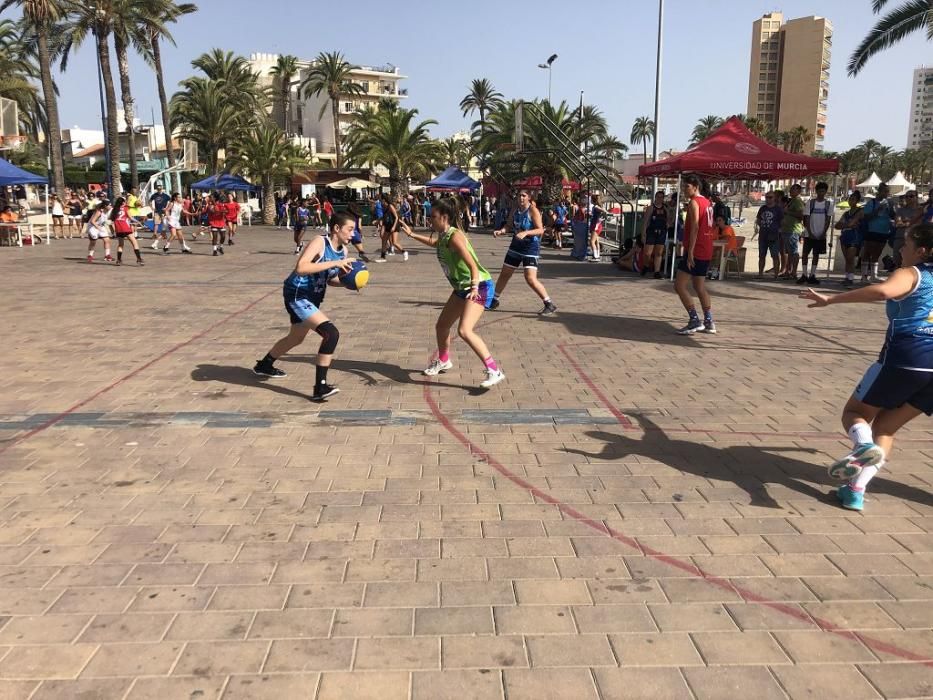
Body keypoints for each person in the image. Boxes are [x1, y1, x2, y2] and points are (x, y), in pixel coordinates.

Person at [800, 222, 933, 511]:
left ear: (921, 251)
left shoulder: (912, 273)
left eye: (906, 244)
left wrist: (831, 299)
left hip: (907, 357)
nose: (900, 248)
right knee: (885, 427)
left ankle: (861, 447)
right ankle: (855, 489)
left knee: (855, 413)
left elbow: (883, 291)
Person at [399, 197, 505, 389]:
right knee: (442, 326)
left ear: (445, 217)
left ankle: (494, 370)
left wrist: (473, 289)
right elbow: (435, 244)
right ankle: (444, 360)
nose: (430, 220)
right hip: (461, 288)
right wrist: (412, 234)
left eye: (433, 216)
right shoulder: (444, 236)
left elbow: (473, 265)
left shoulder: (455, 236)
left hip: (479, 286)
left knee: (464, 330)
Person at [253, 212, 357, 402]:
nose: (353, 234)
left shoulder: (343, 252)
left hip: (313, 296)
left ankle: (265, 365)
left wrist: (348, 283)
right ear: (336, 228)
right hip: (297, 293)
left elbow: (329, 278)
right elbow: (301, 267)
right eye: (350, 229)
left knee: (296, 338)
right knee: (331, 333)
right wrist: (336, 263)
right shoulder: (320, 242)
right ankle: (320, 387)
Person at [491, 189, 557, 315]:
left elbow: (540, 230)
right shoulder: (515, 209)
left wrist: (526, 232)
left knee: (530, 278)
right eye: (519, 195)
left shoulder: (533, 210)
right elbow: (509, 225)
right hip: (516, 246)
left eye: (523, 195)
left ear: (529, 198)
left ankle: (549, 303)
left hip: (530, 247)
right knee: (505, 273)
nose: (521, 198)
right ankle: (494, 300)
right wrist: (501, 231)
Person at [674, 174, 716, 334]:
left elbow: (696, 227)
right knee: (699, 286)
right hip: (706, 248)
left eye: (687, 186)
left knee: (679, 285)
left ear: (695, 187)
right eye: (684, 186)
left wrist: (689, 251)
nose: (684, 189)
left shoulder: (694, 202)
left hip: (697, 249)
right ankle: (709, 320)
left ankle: (694, 320)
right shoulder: (707, 202)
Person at [799, 181, 833, 286]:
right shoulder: (810, 203)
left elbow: (828, 219)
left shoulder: (828, 204)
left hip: (821, 234)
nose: (821, 193)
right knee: (805, 254)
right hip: (809, 234)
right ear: (816, 191)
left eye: (823, 191)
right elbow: (806, 218)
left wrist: (823, 232)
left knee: (816, 254)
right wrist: (809, 231)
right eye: (820, 191)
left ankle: (812, 275)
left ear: (826, 192)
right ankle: (804, 274)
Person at [860, 182, 895, 283]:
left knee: (877, 253)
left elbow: (893, 216)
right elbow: (866, 217)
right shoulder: (872, 202)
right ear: (879, 191)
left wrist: (892, 209)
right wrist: (877, 210)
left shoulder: (889, 202)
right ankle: (864, 276)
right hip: (871, 230)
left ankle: (874, 275)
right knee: (867, 252)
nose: (886, 193)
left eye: (888, 191)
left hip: (884, 230)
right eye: (885, 191)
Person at [835, 191, 864, 287]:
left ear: (857, 201)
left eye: (853, 199)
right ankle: (847, 277)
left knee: (850, 258)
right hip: (845, 237)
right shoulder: (846, 213)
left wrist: (845, 225)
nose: (850, 201)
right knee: (847, 259)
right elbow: (837, 225)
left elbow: (851, 223)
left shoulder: (860, 211)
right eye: (850, 199)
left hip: (854, 237)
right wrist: (847, 225)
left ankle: (851, 278)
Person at [779, 184, 805, 279]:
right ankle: (788, 271)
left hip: (793, 230)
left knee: (793, 251)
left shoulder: (798, 201)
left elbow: (801, 215)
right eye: (791, 189)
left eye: (793, 189)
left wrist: (787, 212)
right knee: (789, 251)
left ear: (798, 191)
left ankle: (793, 272)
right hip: (787, 229)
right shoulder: (792, 201)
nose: (791, 191)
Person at [641, 190, 669, 279]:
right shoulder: (651, 208)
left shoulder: (665, 209)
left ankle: (657, 271)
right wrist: (643, 233)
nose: (660, 199)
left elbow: (668, 219)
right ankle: (646, 265)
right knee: (647, 253)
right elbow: (645, 222)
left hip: (662, 232)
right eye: (658, 197)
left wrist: (668, 224)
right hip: (651, 232)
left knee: (659, 253)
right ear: (655, 197)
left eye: (662, 197)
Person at [110, 196, 145, 266]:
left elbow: (112, 218)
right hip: (125, 228)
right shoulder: (125, 208)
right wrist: (139, 222)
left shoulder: (114, 209)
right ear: (123, 202)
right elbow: (131, 217)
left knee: (120, 245)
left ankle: (119, 260)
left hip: (118, 229)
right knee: (134, 242)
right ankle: (139, 259)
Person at [755, 192, 783, 279]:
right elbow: (758, 219)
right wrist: (763, 227)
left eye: (770, 197)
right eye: (766, 197)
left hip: (774, 235)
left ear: (774, 198)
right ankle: (760, 274)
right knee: (761, 255)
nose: (768, 199)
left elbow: (782, 221)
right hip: (763, 235)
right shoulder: (762, 208)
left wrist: (778, 230)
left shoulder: (778, 209)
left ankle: (776, 275)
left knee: (775, 255)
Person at [894, 190, 923, 268]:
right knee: (897, 260)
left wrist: (905, 221)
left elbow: (919, 224)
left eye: (911, 196)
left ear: (916, 198)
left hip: (914, 238)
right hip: (900, 237)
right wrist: (910, 222)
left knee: (914, 262)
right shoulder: (900, 210)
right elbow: (898, 223)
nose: (908, 198)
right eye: (906, 196)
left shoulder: (921, 210)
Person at [378, 195, 407, 262]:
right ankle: (383, 257)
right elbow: (384, 217)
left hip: (394, 225)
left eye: (381, 200)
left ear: (384, 200)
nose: (380, 201)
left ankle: (404, 252)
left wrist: (394, 227)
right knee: (384, 240)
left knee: (394, 242)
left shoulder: (390, 206)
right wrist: (378, 220)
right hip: (388, 225)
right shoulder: (384, 207)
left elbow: (396, 217)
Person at [148, 183, 171, 249]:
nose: (159, 190)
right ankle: (155, 234)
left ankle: (164, 235)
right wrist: (152, 207)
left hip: (163, 212)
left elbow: (171, 201)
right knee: (156, 223)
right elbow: (149, 201)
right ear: (157, 189)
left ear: (162, 189)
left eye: (160, 189)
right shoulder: (154, 195)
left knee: (164, 224)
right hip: (157, 211)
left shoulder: (166, 196)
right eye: (158, 189)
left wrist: (167, 208)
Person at [588, 193, 607, 262]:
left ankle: (595, 256)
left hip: (596, 225)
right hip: (597, 224)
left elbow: (603, 211)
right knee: (596, 241)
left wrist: (601, 216)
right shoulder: (595, 206)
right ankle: (597, 255)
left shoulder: (595, 206)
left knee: (592, 241)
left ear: (593, 200)